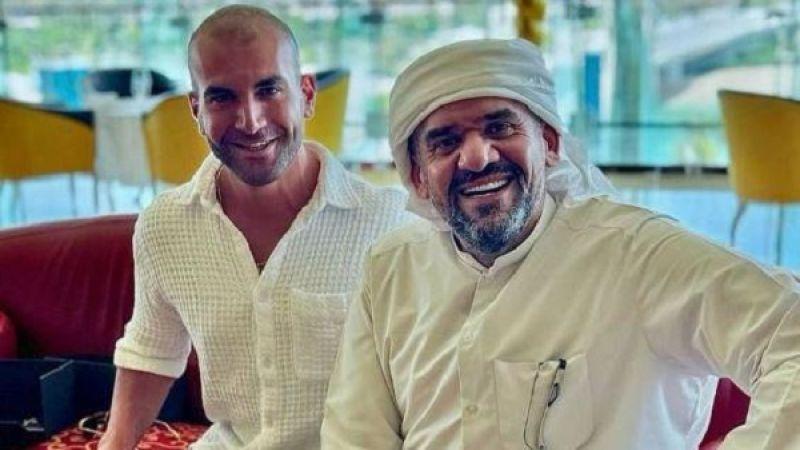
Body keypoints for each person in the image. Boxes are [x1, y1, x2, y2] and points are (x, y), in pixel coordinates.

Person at [321, 38, 800, 449]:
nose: (477, 157)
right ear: (417, 177)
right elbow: (355, 436)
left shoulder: (634, 255)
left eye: (499, 128)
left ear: (549, 144)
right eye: (444, 142)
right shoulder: (392, 268)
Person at [98, 5, 409, 450]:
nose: (250, 120)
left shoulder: (390, 223)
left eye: (269, 90)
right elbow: (151, 350)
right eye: (222, 98)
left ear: (306, 94)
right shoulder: (164, 226)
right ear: (196, 109)